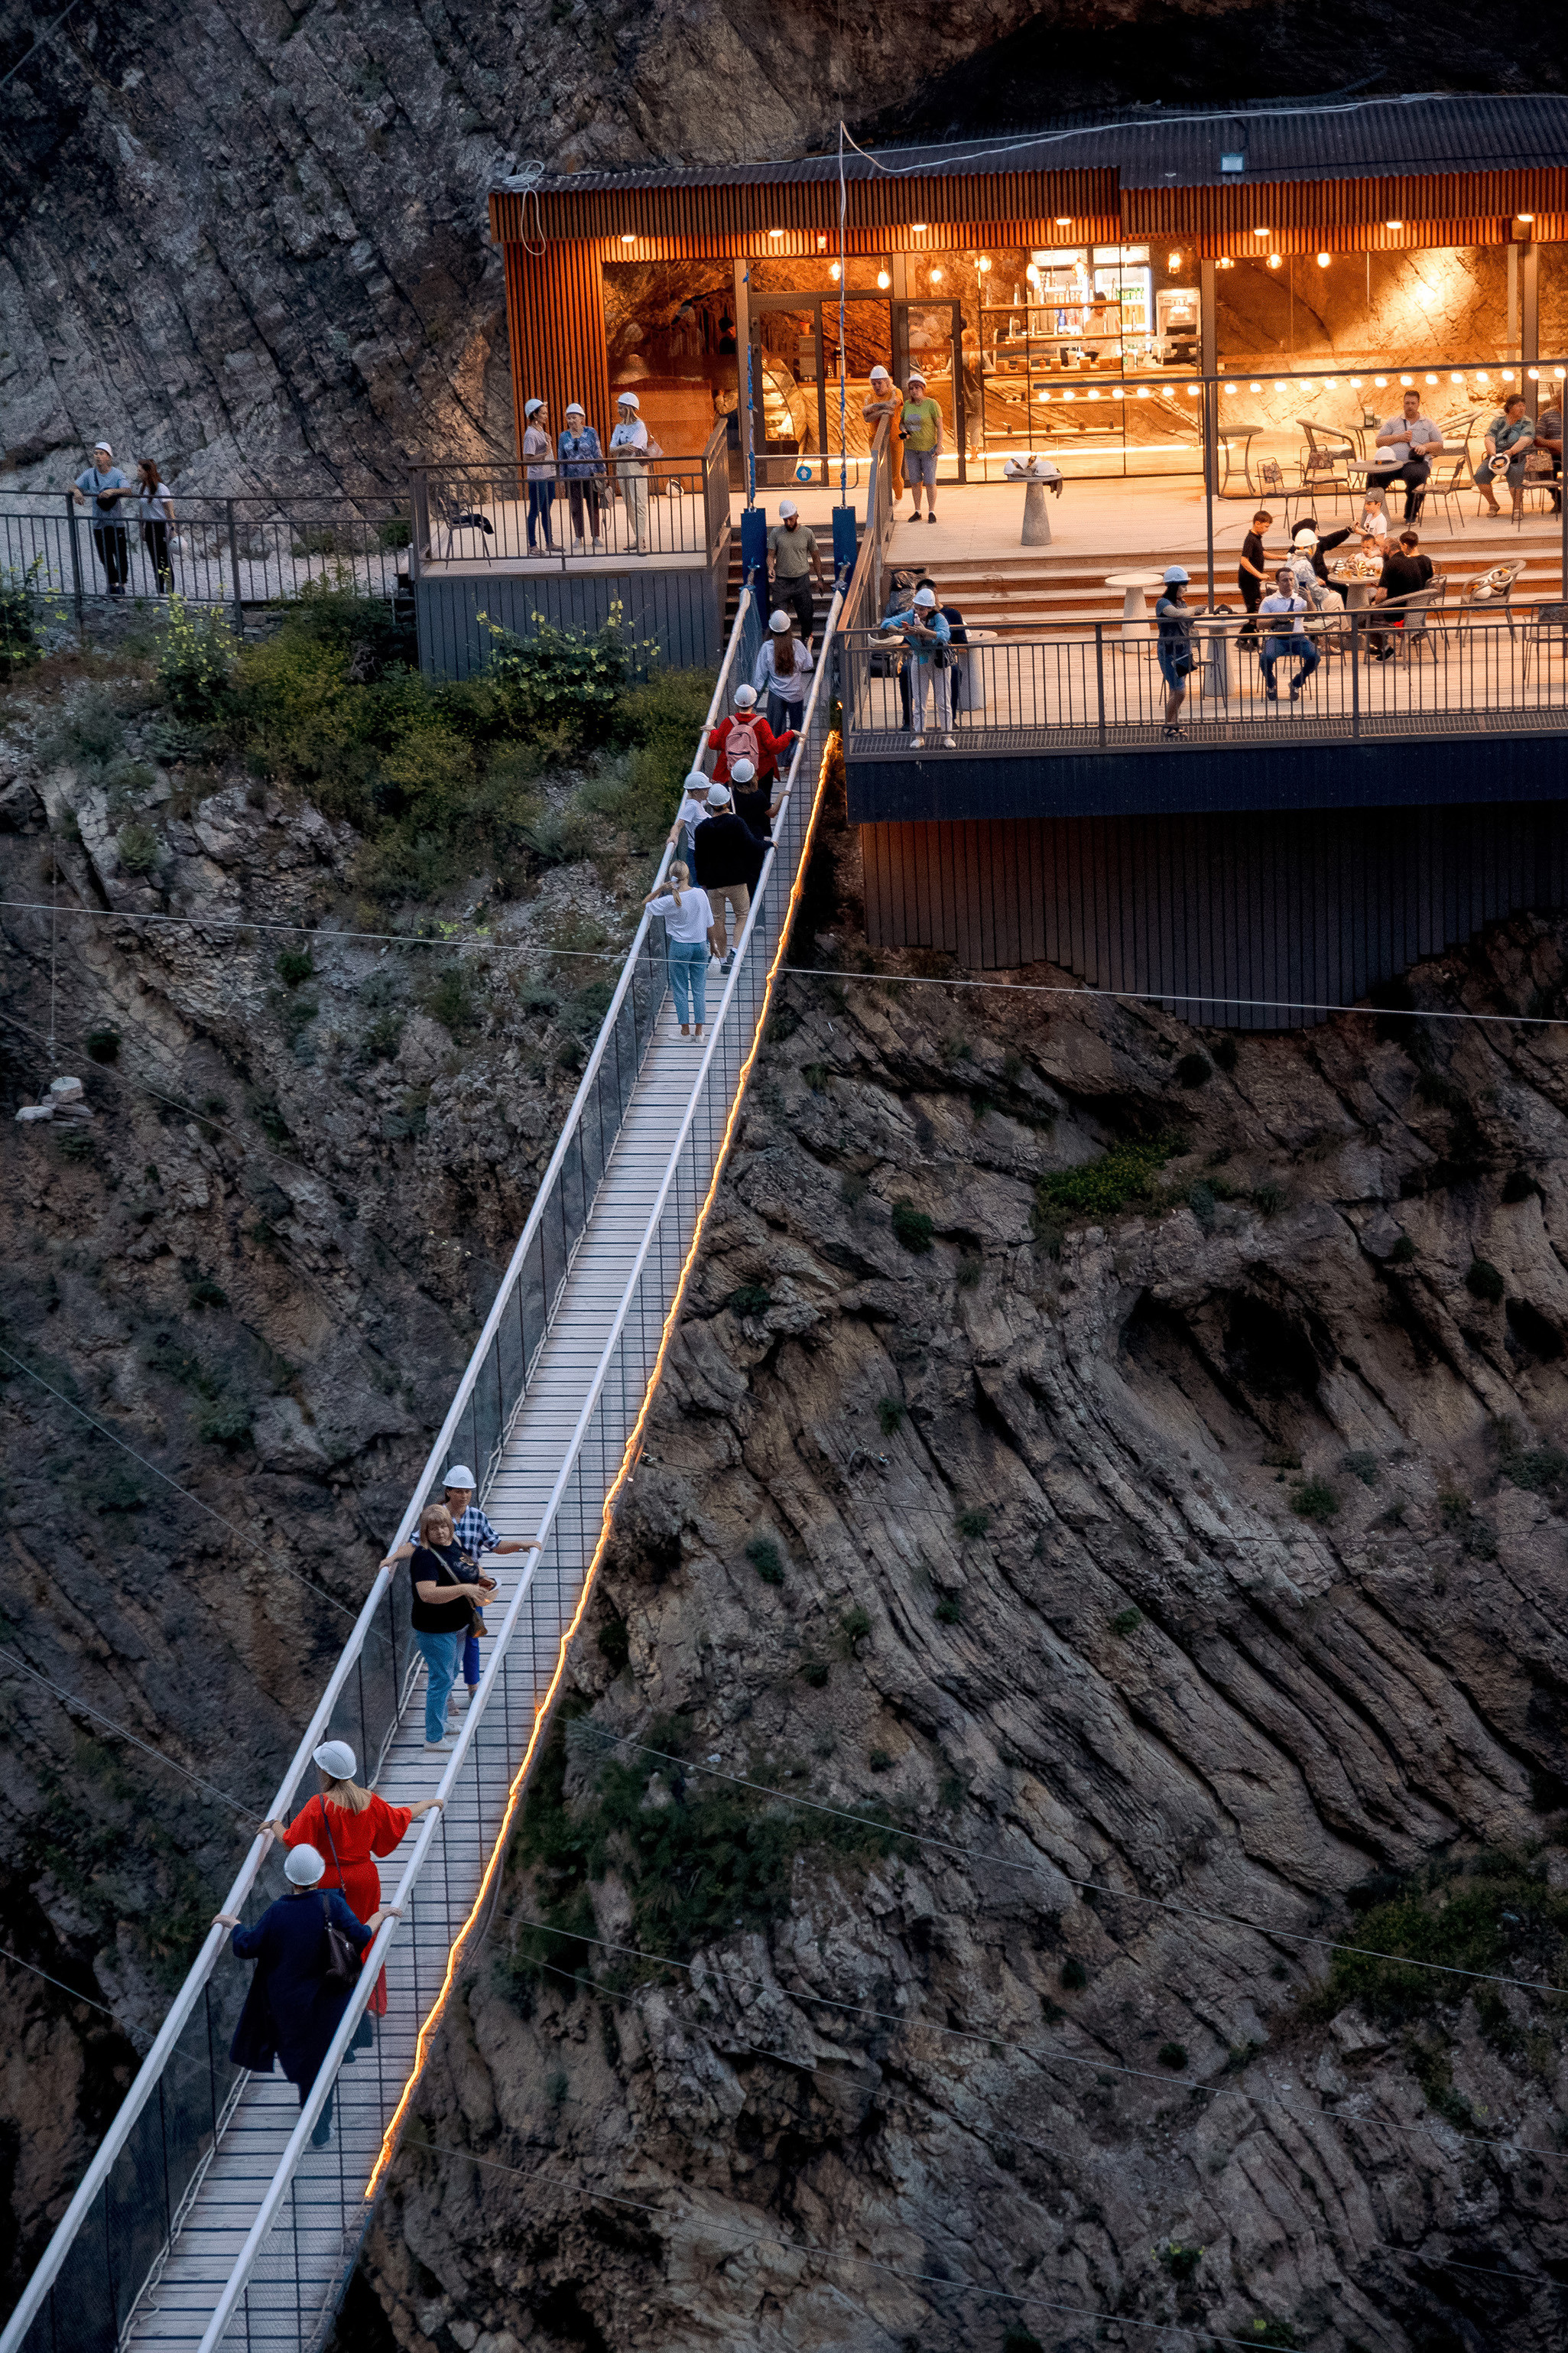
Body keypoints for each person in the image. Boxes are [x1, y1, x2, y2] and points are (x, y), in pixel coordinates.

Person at [216, 1844, 396, 2147]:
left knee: (307, 2067)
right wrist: (380, 1914)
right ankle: (321, 2120)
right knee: (324, 2061)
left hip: (289, 2007)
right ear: (319, 1875)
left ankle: (315, 2116)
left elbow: (247, 1946)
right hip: (330, 2002)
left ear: (291, 1880)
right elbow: (361, 1936)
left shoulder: (277, 1912)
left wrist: (233, 1925)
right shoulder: (333, 1906)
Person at [260, 1742, 442, 2024]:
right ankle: (372, 2001)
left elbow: (292, 1843)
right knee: (366, 1935)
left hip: (330, 1881)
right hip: (365, 1879)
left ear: (325, 1772)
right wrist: (429, 1804)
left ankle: (339, 2002)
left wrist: (274, 1825)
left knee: (333, 1940)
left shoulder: (318, 1806)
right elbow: (400, 1818)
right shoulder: (368, 1800)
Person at [380, 1503, 496, 1750]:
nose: (441, 1532)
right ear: (425, 1532)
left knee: (451, 1672)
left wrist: (483, 1581)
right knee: (441, 1679)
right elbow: (427, 1594)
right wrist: (465, 1589)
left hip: (457, 1626)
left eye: (444, 1526)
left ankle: (442, 1723)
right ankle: (433, 1738)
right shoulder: (424, 1557)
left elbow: (468, 1566)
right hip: (436, 1629)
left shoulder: (452, 1544)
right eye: (434, 1529)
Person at [440, 1465, 529, 1705]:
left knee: (473, 1635)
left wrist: (521, 1545)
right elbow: (418, 1542)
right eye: (459, 1491)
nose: (464, 1495)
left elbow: (495, 1544)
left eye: (467, 1491)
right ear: (448, 1491)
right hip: (446, 1588)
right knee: (447, 1641)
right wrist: (394, 1557)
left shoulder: (478, 1517)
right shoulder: (438, 1516)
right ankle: (446, 1693)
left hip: (474, 1587)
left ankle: (472, 1687)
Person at [690, 782, 765, 972]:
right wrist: (768, 845)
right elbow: (751, 844)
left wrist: (702, 881)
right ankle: (735, 951)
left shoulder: (701, 829)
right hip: (737, 879)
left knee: (717, 919)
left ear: (710, 804)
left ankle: (722, 960)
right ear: (727, 802)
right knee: (743, 915)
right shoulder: (736, 823)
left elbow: (698, 858)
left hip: (713, 884)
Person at [644, 861, 714, 1038]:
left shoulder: (669, 901)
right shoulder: (700, 894)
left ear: (671, 878)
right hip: (700, 945)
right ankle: (699, 1032)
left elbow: (646, 905)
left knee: (680, 989)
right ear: (688, 876)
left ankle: (685, 1031)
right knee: (699, 989)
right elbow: (709, 922)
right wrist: (713, 945)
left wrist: (660, 889)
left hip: (680, 947)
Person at [890, 583, 953, 750]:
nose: (918, 612)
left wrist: (923, 631)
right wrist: (897, 630)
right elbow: (887, 622)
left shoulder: (939, 618)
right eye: (917, 608)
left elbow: (944, 635)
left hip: (938, 660)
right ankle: (919, 736)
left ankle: (947, 735)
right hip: (919, 658)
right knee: (919, 701)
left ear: (931, 609)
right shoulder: (910, 616)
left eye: (922, 610)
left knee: (943, 700)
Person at [1372, 389, 1445, 522]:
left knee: (1417, 476)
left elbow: (1440, 446)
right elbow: (1379, 442)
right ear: (1403, 404)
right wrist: (1398, 437)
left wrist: (1425, 447)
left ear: (1418, 405)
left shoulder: (1428, 423)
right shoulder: (1393, 421)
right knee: (1374, 476)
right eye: (1407, 403)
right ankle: (1375, 514)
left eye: (1413, 403)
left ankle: (1411, 514)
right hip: (1392, 462)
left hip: (1415, 462)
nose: (1410, 406)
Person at [708, 681, 794, 787]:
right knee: (762, 801)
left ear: (736, 703)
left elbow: (714, 744)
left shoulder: (728, 722)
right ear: (753, 704)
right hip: (759, 772)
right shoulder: (761, 723)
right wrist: (790, 734)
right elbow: (774, 747)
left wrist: (713, 731)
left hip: (733, 772)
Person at [73, 440, 131, 595]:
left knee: (120, 555)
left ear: (108, 457)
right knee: (105, 556)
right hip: (99, 522)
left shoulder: (117, 474)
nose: (97, 456)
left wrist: (112, 491)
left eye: (101, 453)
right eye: (95, 453)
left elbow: (128, 490)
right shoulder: (89, 474)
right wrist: (77, 492)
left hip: (116, 522)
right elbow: (73, 485)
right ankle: (112, 585)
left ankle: (122, 586)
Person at [767, 500, 825, 646]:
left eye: (790, 519)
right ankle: (783, 645)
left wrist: (819, 578)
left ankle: (806, 642)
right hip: (782, 582)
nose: (788, 522)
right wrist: (770, 568)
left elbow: (815, 556)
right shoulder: (776, 533)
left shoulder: (807, 533)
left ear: (797, 516)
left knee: (806, 615)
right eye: (785, 520)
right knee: (779, 615)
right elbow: (770, 555)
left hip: (802, 581)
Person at [1369, 528, 1435, 658]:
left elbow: (1381, 596)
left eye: (1381, 549)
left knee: (1362, 617)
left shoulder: (1391, 564)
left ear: (1388, 549)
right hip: (1415, 612)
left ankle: (1385, 648)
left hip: (1398, 616)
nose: (1380, 552)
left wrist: (1374, 604)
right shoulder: (1412, 561)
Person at [1257, 568, 1320, 701]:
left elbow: (1313, 616)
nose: (1289, 583)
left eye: (1291, 579)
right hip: (1277, 638)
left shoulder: (1300, 599)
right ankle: (1271, 684)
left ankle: (1296, 683)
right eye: (1285, 580)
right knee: (1265, 658)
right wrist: (1278, 619)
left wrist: (1309, 599)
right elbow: (1260, 624)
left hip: (1298, 638)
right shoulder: (1269, 601)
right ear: (1277, 582)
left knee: (1315, 656)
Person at [913, 574, 968, 720]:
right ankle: (908, 719)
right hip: (920, 656)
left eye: (933, 592)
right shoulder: (912, 615)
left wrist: (949, 650)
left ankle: (951, 719)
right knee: (906, 671)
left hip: (943, 657)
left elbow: (962, 645)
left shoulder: (951, 614)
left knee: (955, 671)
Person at [754, 609, 815, 739]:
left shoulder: (766, 647)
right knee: (797, 730)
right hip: (796, 694)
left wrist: (753, 699)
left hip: (776, 695)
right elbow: (808, 665)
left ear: (771, 629)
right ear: (789, 628)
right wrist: (808, 648)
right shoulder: (797, 645)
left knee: (775, 734)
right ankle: (794, 755)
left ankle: (779, 757)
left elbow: (759, 676)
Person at [1475, 395, 1534, 519]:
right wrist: (1493, 453)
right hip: (1496, 456)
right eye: (1519, 405)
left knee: (1515, 477)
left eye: (1524, 405)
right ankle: (1493, 504)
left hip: (1517, 456)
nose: (1522, 408)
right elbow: (1489, 438)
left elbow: (1526, 440)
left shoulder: (1527, 422)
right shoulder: (1498, 421)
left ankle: (1517, 507)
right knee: (1480, 475)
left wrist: (1511, 451)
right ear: (1510, 407)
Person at [1154, 564, 1195, 739]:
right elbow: (1175, 614)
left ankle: (1174, 725)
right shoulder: (1163, 603)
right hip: (1169, 652)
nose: (1185, 588)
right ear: (1173, 586)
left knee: (1175, 690)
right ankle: (1167, 725)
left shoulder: (1183, 603)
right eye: (1183, 584)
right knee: (1179, 691)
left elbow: (1186, 621)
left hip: (1183, 651)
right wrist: (1193, 611)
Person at [558, 403, 606, 547]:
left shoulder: (591, 432)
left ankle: (596, 537)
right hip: (572, 477)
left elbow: (598, 452)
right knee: (575, 507)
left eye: (574, 417)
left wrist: (602, 471)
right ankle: (578, 537)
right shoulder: (564, 436)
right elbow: (561, 458)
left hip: (591, 474)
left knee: (593, 506)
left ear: (582, 418)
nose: (571, 421)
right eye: (569, 418)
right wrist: (561, 478)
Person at [610, 392, 651, 554]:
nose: (619, 411)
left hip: (636, 467)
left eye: (621, 408)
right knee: (629, 504)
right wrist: (622, 448)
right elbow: (612, 449)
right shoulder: (618, 427)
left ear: (629, 408)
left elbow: (634, 447)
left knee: (638, 502)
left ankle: (641, 540)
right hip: (622, 467)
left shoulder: (639, 425)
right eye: (619, 408)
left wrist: (621, 449)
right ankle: (638, 537)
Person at [901, 371, 944, 523]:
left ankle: (931, 511)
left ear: (923, 388)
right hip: (911, 448)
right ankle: (917, 510)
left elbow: (939, 425)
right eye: (911, 388)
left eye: (917, 388)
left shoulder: (932, 404)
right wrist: (903, 431)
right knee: (914, 481)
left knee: (930, 481)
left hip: (928, 449)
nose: (914, 391)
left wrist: (939, 445)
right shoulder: (907, 404)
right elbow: (901, 423)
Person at [862, 365, 904, 504]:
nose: (876, 386)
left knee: (895, 474)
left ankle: (898, 497)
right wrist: (881, 411)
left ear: (887, 382)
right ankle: (883, 501)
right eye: (874, 384)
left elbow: (893, 405)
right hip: (875, 439)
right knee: (879, 472)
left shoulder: (895, 392)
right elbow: (866, 416)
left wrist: (874, 409)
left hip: (895, 439)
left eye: (879, 383)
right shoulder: (869, 397)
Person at [135, 460, 177, 594]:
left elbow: (170, 512)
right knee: (155, 560)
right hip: (149, 527)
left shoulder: (161, 488)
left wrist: (173, 529)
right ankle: (160, 590)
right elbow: (142, 509)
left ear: (148, 472)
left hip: (160, 526)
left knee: (164, 560)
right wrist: (142, 527)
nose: (138, 472)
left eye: (140, 470)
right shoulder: (142, 488)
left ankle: (170, 592)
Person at [521, 399, 556, 554]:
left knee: (546, 510)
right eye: (543, 413)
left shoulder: (540, 430)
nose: (546, 415)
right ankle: (532, 545)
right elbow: (527, 459)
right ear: (534, 414)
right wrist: (544, 455)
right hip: (538, 477)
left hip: (548, 474)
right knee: (534, 510)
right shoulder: (530, 435)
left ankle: (549, 542)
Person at [1287, 528, 1344, 615]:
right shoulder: (1305, 564)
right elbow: (1314, 590)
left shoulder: (1291, 560)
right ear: (1312, 547)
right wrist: (1328, 591)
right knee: (1336, 596)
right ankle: (1338, 628)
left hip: (1293, 599)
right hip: (1303, 602)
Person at [1236, 510, 1272, 645]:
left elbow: (1262, 553)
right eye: (1266, 526)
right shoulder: (1250, 539)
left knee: (1255, 610)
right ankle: (1243, 639)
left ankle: (1252, 641)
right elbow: (1244, 560)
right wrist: (1260, 575)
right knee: (1255, 611)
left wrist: (1282, 557)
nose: (1267, 530)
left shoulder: (1256, 538)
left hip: (1253, 581)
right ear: (1257, 524)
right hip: (1248, 581)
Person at [726, 753, 780, 842]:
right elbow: (772, 813)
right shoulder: (758, 795)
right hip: (755, 837)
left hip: (735, 837)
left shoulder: (729, 793)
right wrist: (781, 796)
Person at [1535, 399, 1563, 515]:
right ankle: (1559, 499)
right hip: (1554, 454)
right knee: (1542, 470)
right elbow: (1537, 438)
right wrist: (1553, 443)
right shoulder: (1547, 415)